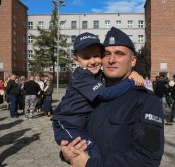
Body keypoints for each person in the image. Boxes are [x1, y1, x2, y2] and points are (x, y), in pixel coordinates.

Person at [60, 27, 164, 167]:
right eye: (106, 54)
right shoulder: (90, 92)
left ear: (133, 60)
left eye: (119, 54)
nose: (111, 60)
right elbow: (75, 131)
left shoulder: (146, 100)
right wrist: (68, 153)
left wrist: (90, 164)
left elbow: (147, 160)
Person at [52, 32, 144, 159]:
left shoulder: (98, 75)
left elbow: (117, 77)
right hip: (67, 123)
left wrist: (133, 74)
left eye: (96, 56)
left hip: (81, 125)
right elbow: (107, 94)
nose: (93, 61)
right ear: (76, 60)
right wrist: (131, 81)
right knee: (90, 150)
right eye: (86, 57)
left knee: (90, 150)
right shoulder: (81, 76)